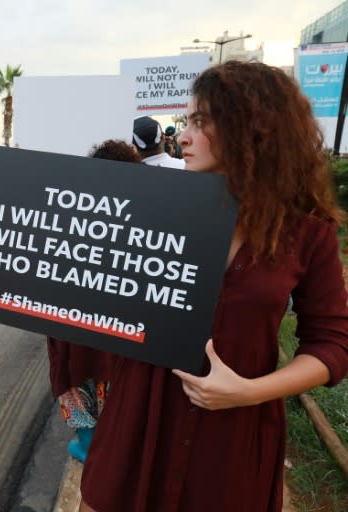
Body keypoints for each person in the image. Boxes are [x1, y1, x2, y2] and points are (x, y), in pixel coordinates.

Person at [79, 61, 348, 512]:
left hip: (234, 438)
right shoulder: (156, 209)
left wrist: (248, 391)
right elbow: (92, 286)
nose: (182, 135)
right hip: (139, 421)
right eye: (187, 122)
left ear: (254, 127)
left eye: (201, 122)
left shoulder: (307, 232)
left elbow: (334, 343)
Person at [47, 140, 141, 465]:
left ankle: (88, 449)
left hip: (80, 354)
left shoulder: (69, 226)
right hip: (122, 358)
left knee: (87, 432)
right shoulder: (148, 228)